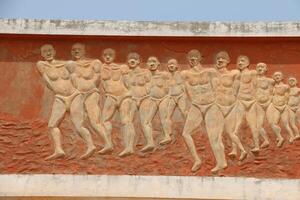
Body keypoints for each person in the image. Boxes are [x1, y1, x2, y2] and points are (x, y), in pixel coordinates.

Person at [37, 44, 95, 160]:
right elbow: (48, 82)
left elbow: (77, 76)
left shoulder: (67, 64)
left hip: (74, 96)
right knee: (52, 125)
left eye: (50, 51)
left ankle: (91, 146)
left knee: (78, 126)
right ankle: (59, 150)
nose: (48, 53)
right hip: (60, 98)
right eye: (45, 51)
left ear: (54, 51)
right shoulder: (41, 65)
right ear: (42, 54)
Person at [181, 49, 227, 173]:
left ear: (200, 58)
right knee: (185, 133)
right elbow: (186, 92)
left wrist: (222, 107)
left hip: (211, 105)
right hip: (196, 105)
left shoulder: (210, 72)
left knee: (214, 137)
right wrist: (186, 107)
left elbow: (218, 89)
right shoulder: (185, 74)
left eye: (195, 57)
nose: (192, 59)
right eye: (190, 57)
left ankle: (221, 162)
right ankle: (197, 160)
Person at [68, 43, 110, 153]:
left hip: (91, 93)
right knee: (77, 124)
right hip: (78, 95)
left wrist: (88, 87)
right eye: (74, 50)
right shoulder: (70, 65)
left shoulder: (94, 63)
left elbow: (97, 77)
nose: (76, 51)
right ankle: (90, 146)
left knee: (94, 121)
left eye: (79, 49)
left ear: (84, 50)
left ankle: (108, 144)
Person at [100, 48, 135, 157]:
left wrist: (126, 96)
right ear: (102, 56)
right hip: (110, 96)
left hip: (124, 96)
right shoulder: (101, 68)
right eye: (105, 54)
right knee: (104, 120)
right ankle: (108, 144)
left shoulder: (121, 68)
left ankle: (129, 147)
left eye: (110, 54)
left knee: (126, 121)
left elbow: (129, 85)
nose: (107, 56)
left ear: (114, 56)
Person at [214, 51, 247, 161]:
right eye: (218, 59)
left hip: (230, 106)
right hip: (218, 106)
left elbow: (236, 90)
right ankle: (221, 159)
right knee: (217, 133)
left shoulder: (234, 73)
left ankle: (242, 150)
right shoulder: (213, 74)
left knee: (230, 132)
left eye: (222, 59)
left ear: (228, 61)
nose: (220, 60)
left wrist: (234, 104)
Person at [266, 71, 291, 147]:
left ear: (282, 77)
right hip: (274, 105)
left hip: (283, 106)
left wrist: (285, 104)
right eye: (275, 76)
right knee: (272, 123)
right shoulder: (272, 87)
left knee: (286, 124)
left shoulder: (286, 86)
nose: (277, 77)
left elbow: (287, 96)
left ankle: (291, 136)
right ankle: (280, 137)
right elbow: (270, 95)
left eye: (279, 75)